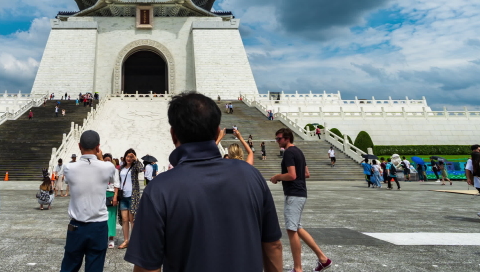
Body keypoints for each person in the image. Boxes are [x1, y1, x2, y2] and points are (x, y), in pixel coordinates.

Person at [124, 92, 282, 272]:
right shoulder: (251, 176)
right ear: (217, 131)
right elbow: (273, 245)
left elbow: (147, 268)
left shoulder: (159, 189)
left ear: (173, 134)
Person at [271, 128, 332, 272]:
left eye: (279, 139)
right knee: (297, 227)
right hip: (300, 193)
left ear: (287, 138)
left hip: (293, 194)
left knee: (291, 230)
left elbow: (292, 175)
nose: (277, 141)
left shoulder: (288, 153)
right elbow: (306, 173)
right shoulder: (298, 152)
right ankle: (323, 259)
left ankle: (298, 268)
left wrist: (277, 177)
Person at [58, 130, 117, 272]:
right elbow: (108, 174)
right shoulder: (108, 167)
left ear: (79, 146)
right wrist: (100, 156)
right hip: (99, 227)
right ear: (98, 147)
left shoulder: (69, 168)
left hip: (76, 226)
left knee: (69, 266)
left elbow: (67, 180)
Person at [117, 148, 144, 249]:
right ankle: (126, 240)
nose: (129, 158)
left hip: (133, 196)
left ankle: (135, 241)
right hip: (123, 196)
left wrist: (136, 159)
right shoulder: (121, 168)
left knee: (132, 220)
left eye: (131, 157)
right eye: (127, 156)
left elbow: (141, 169)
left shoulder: (135, 167)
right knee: (124, 219)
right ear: (124, 157)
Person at [103, 153, 120, 248]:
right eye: (105, 160)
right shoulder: (100, 170)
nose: (107, 162)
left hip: (111, 193)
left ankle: (111, 238)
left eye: (109, 160)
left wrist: (115, 197)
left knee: (112, 217)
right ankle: (103, 237)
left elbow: (116, 184)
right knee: (101, 217)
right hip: (101, 194)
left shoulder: (115, 171)